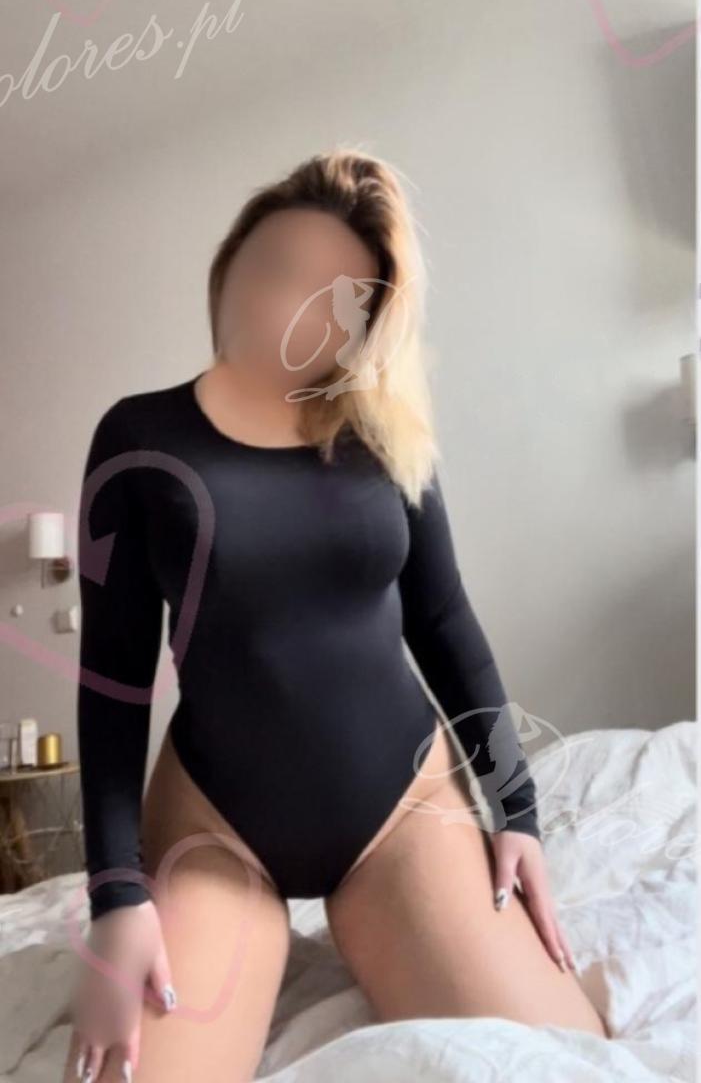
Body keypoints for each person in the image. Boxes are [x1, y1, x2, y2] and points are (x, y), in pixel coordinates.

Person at [63, 149, 609, 1083]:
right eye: (277, 269)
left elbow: (444, 622)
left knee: (565, 1065)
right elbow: (113, 680)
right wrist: (118, 897)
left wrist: (516, 811)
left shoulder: (388, 437)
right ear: (230, 267)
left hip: (400, 812)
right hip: (215, 826)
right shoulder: (137, 438)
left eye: (335, 293)